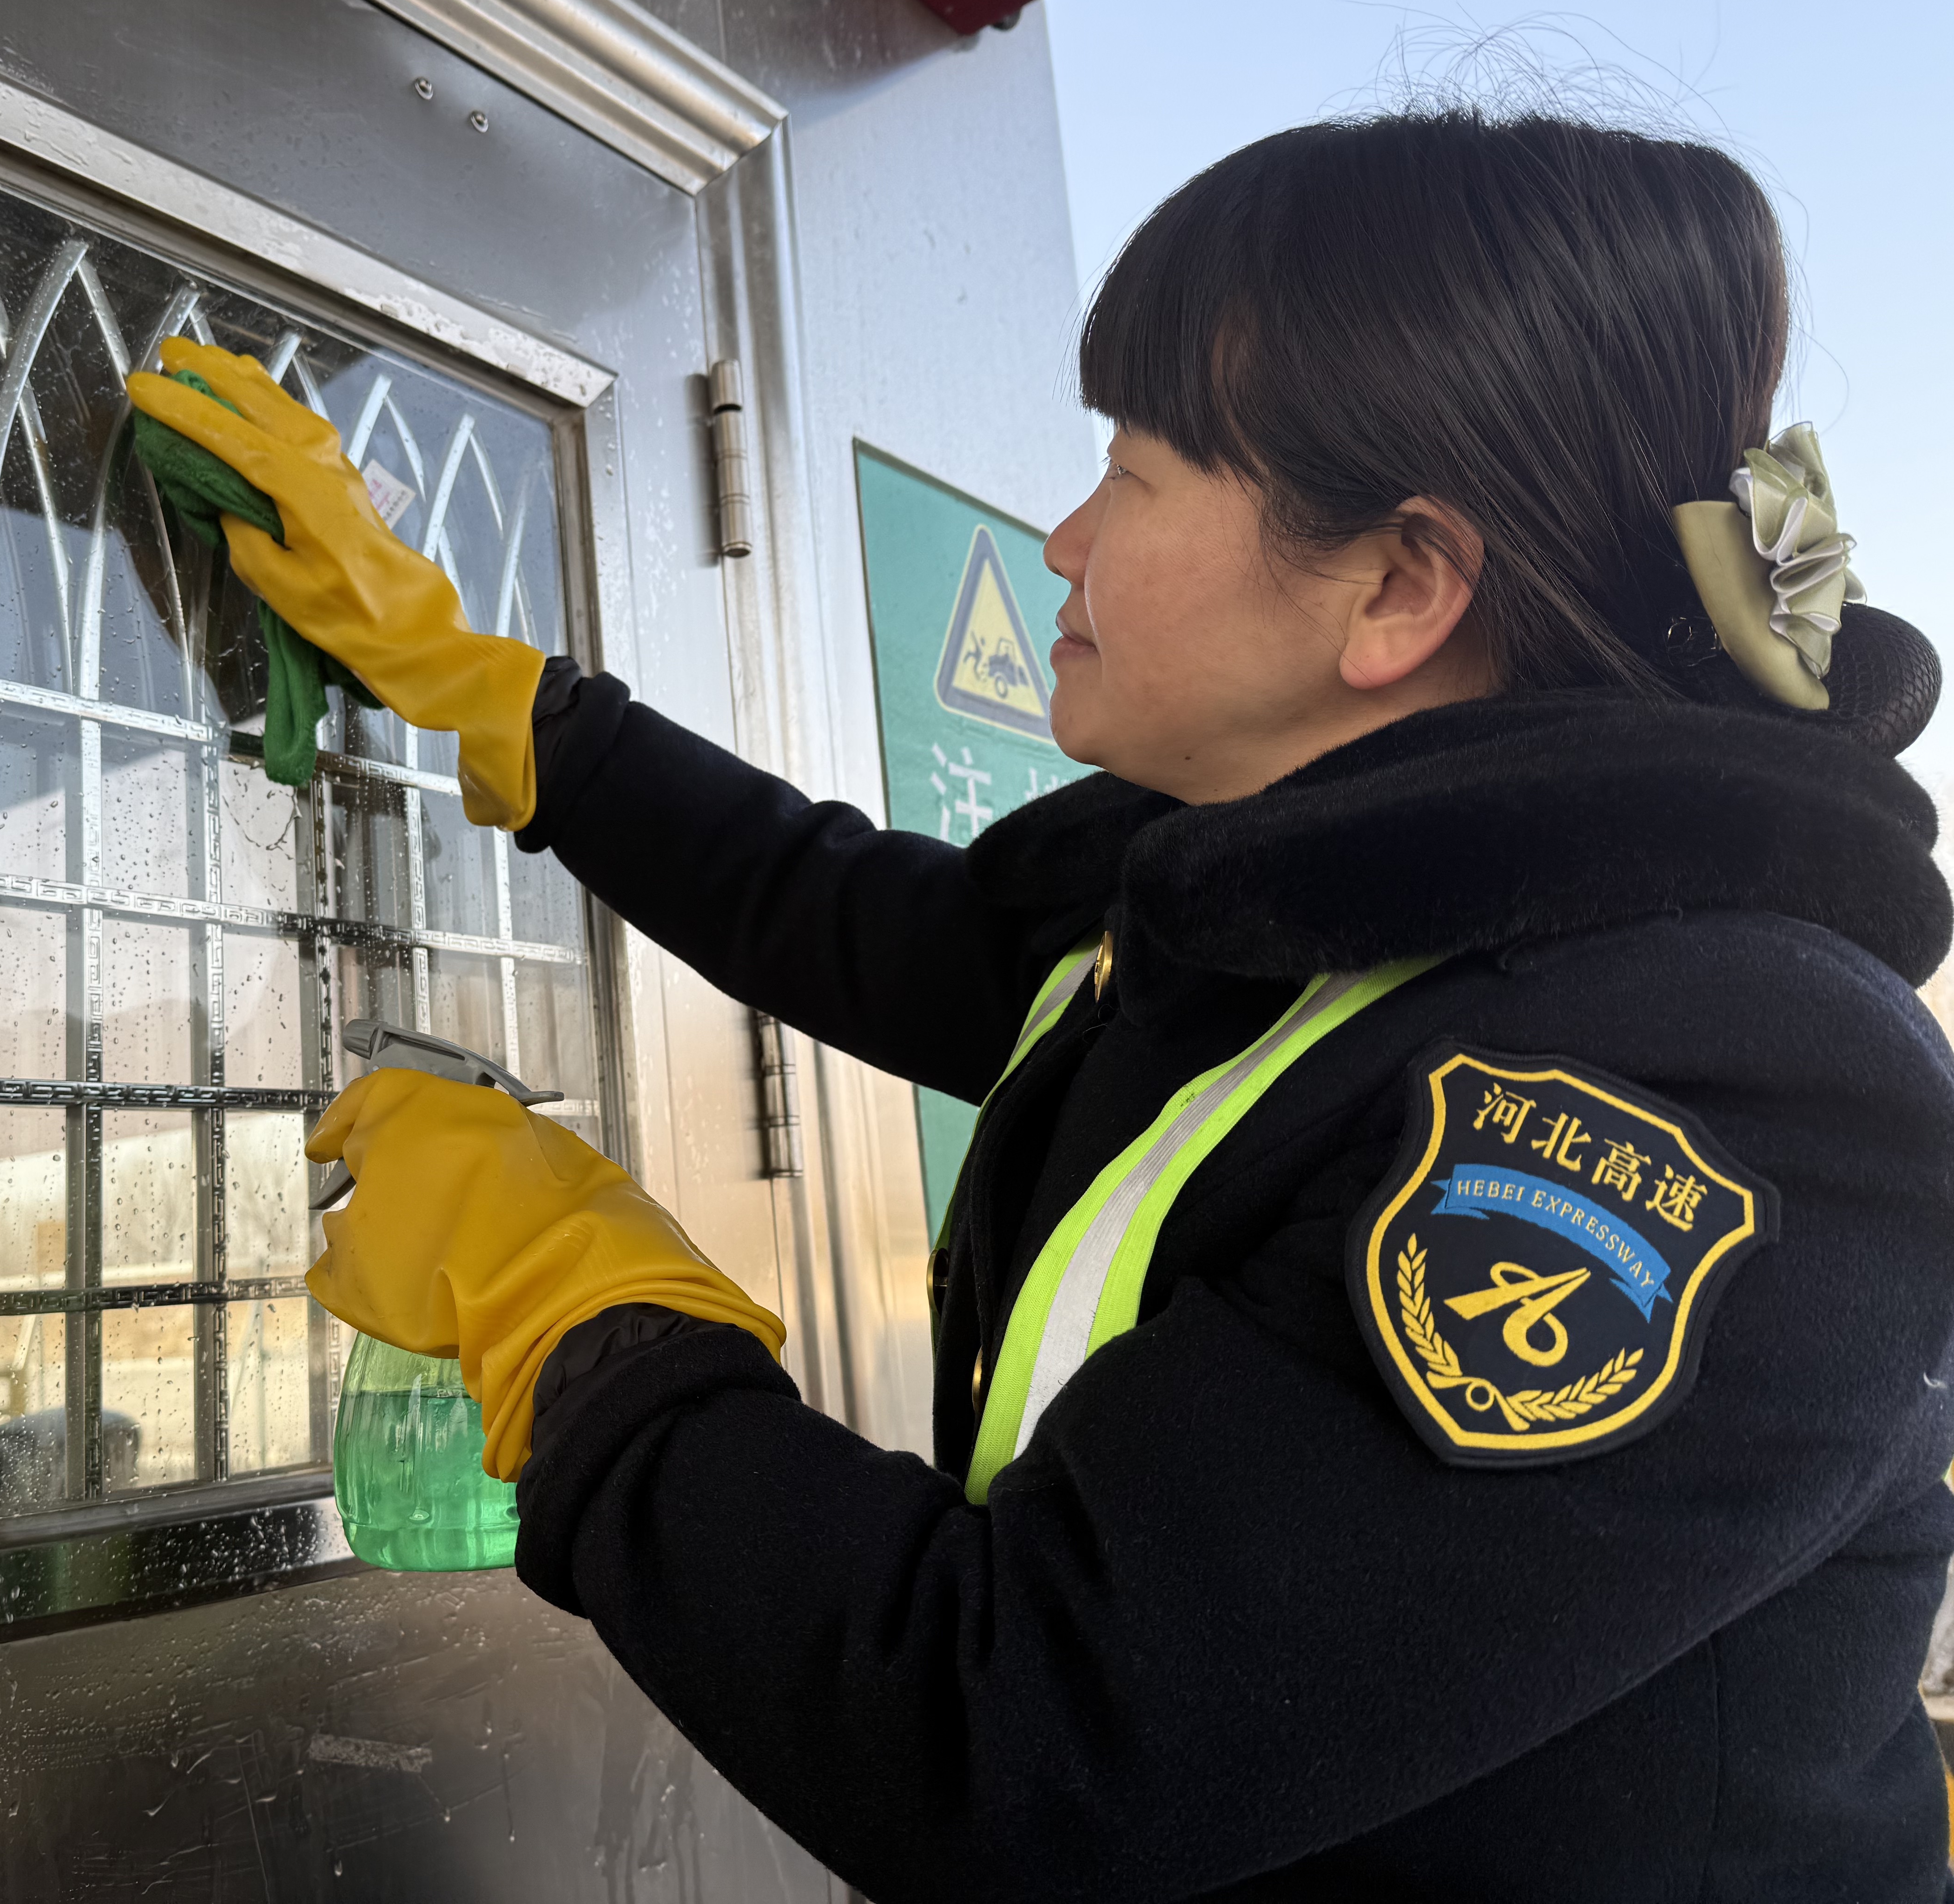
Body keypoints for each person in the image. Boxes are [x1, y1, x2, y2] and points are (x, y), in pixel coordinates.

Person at [129, 109, 1954, 1900]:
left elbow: (1029, 1746)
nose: (1063, 541)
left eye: (1136, 472)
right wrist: (478, 686)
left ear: (1398, 584)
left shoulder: (1715, 1090)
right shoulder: (1287, 904)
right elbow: (877, 923)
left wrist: (574, 1317)